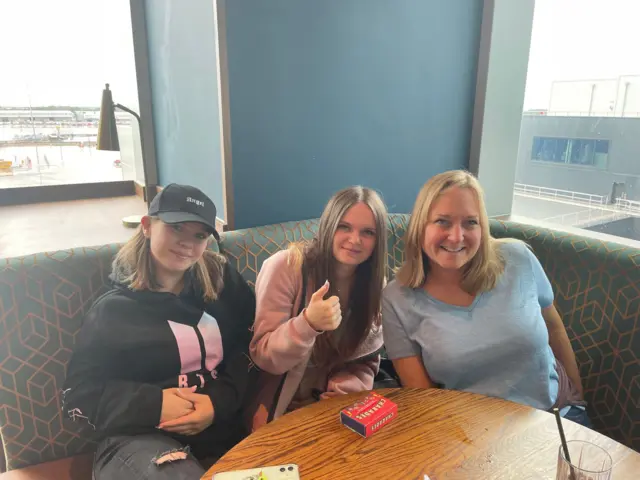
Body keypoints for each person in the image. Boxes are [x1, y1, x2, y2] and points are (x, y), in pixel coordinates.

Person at [62, 184, 258, 479]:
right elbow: (78, 398)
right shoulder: (112, 310)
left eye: (200, 235)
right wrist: (155, 404)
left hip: (223, 428)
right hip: (137, 439)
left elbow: (252, 346)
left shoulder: (223, 283)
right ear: (146, 226)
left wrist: (218, 402)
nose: (187, 243)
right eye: (176, 228)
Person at [382, 170, 589, 425]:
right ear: (420, 226)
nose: (457, 236)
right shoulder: (396, 299)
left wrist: (578, 399)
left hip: (555, 417)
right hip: (473, 439)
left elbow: (554, 328)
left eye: (471, 222)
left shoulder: (518, 258)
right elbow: (425, 399)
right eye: (442, 221)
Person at [250, 186, 388, 424]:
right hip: (279, 411)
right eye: (344, 227)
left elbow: (367, 360)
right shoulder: (286, 266)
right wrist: (307, 324)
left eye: (368, 232)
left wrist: (348, 387)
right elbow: (264, 356)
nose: (355, 240)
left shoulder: (375, 283)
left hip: (336, 411)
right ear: (328, 226)